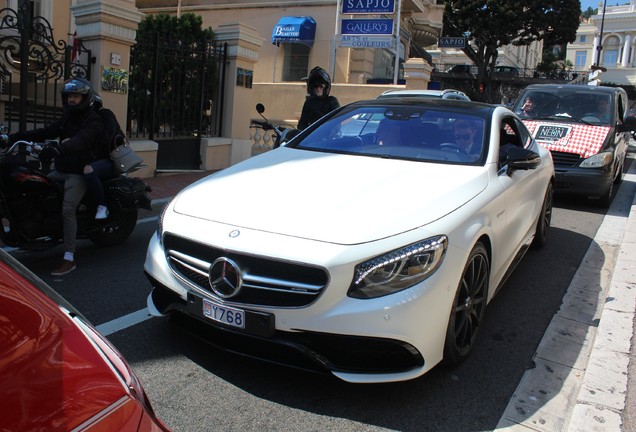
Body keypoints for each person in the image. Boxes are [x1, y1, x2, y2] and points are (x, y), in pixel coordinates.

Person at [8, 78, 107, 276]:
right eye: (69, 96)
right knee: (35, 191)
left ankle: (69, 257)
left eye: (75, 96)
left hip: (77, 172)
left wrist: (57, 149)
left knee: (68, 209)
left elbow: (81, 140)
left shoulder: (94, 120)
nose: (71, 100)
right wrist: (15, 137)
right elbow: (46, 131)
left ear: (84, 98)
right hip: (61, 169)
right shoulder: (67, 118)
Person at [87, 94, 116, 220]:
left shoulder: (105, 114)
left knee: (89, 170)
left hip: (110, 158)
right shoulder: (84, 119)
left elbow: (108, 135)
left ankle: (102, 206)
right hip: (95, 157)